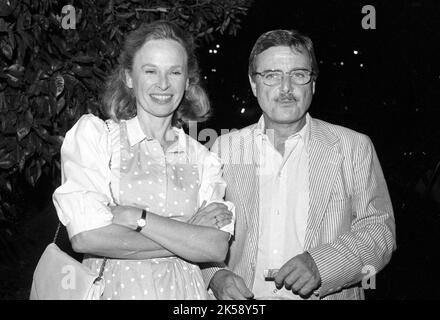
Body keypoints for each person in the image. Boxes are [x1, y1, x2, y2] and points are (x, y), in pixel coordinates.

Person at [202, 29, 396, 300]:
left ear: (313, 83)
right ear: (253, 84)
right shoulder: (224, 148)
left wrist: (322, 264)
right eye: (271, 75)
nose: (285, 88)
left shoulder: (353, 147)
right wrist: (216, 276)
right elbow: (201, 230)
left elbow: (380, 232)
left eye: (298, 74)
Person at [53, 21, 235, 300]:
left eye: (174, 72)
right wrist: (189, 232)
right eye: (150, 71)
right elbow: (86, 237)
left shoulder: (203, 158)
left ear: (187, 82)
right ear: (129, 77)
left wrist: (135, 217)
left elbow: (215, 248)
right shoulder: (98, 138)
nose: (163, 84)